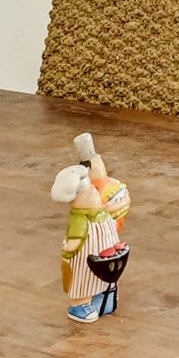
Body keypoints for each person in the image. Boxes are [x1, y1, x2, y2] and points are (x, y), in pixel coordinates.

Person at [50, 132, 130, 322]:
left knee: (102, 278)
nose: (96, 194)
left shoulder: (100, 212)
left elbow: (111, 207)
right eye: (92, 192)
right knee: (84, 280)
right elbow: (74, 241)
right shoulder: (80, 219)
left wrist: (123, 201)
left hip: (103, 256)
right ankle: (79, 305)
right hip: (87, 259)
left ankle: (102, 295)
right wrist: (69, 249)